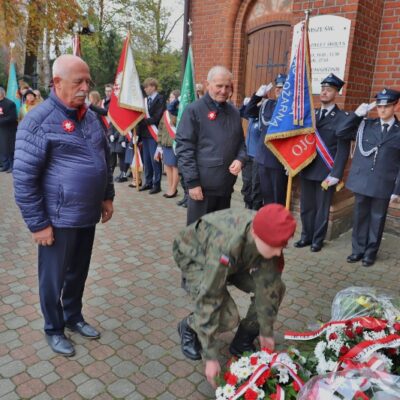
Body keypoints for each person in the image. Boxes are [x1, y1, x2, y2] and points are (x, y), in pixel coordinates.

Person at [13, 54, 115, 357]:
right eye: (78, 82)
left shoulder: (92, 117)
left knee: (78, 272)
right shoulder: (37, 121)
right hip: (56, 219)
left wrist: (107, 195)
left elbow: (104, 161)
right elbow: (24, 180)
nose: (85, 87)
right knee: (53, 278)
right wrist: (38, 224)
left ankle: (73, 317)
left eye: (88, 81)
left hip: (87, 214)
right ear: (57, 83)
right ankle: (54, 328)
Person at [174, 204, 296, 387]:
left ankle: (242, 341)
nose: (279, 252)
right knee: (227, 318)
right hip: (196, 257)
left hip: (237, 258)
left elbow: (269, 286)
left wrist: (266, 330)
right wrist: (210, 357)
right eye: (275, 246)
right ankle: (189, 326)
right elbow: (209, 299)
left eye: (282, 246)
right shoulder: (225, 243)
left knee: (277, 288)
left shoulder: (268, 234)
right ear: (256, 236)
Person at [336, 88, 400, 267]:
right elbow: (341, 133)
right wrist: (356, 116)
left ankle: (370, 253)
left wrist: (397, 189)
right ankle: (357, 250)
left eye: (387, 106)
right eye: (379, 106)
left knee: (377, 218)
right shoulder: (366, 125)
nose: (382, 110)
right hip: (362, 180)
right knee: (360, 216)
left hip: (383, 182)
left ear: (395, 106)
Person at [175, 65, 247, 225]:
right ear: (208, 85)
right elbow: (184, 148)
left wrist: (241, 159)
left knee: (218, 232)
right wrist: (192, 183)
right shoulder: (194, 110)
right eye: (219, 86)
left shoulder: (234, 112)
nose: (223, 91)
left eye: (227, 86)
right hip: (202, 188)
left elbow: (241, 143)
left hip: (226, 186)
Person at [294, 73, 350, 252]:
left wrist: (336, 174)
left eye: (329, 89)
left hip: (326, 171)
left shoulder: (342, 118)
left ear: (337, 93)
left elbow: (343, 149)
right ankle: (306, 236)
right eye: (323, 89)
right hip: (308, 168)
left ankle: (317, 240)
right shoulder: (312, 114)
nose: (324, 92)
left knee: (322, 208)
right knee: (306, 206)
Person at [245, 74, 288, 206]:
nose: (279, 90)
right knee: (266, 195)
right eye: (277, 88)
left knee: (278, 196)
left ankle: (278, 224)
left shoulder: (291, 109)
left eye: (283, 88)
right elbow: (248, 112)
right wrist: (257, 96)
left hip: (279, 159)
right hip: (263, 158)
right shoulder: (267, 104)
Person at [137, 77, 166, 194]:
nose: (145, 89)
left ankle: (157, 184)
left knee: (155, 160)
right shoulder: (144, 100)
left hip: (154, 133)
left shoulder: (160, 99)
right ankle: (148, 182)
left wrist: (141, 121)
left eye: (147, 86)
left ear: (153, 87)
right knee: (147, 160)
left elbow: (157, 117)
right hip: (145, 133)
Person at [156, 90, 180, 198]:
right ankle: (170, 187)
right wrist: (159, 143)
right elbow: (160, 128)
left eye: (173, 98)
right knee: (167, 166)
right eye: (170, 97)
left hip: (174, 144)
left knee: (175, 167)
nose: (171, 99)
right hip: (165, 143)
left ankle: (174, 189)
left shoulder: (180, 112)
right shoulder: (165, 113)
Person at [0, 87, 18, 173]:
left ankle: (12, 166)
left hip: (8, 130)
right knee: (2, 148)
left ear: (2, 93)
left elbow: (12, 117)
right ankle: (5, 165)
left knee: (9, 148)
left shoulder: (10, 104)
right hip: (1, 130)